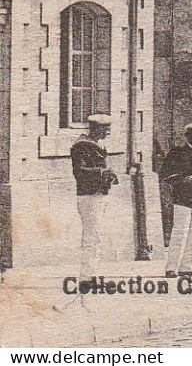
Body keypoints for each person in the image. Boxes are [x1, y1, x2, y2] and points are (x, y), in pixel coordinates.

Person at [162, 122, 192, 277]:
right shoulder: (176, 152)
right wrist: (183, 179)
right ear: (188, 136)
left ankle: (186, 267)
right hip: (182, 197)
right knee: (180, 232)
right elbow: (165, 174)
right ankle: (171, 267)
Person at [72, 113, 118, 277]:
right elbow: (79, 171)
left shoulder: (97, 145)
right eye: (106, 128)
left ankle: (91, 273)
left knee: (96, 235)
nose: (108, 131)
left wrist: (107, 175)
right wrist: (102, 172)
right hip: (89, 196)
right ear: (96, 128)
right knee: (92, 236)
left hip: (98, 194)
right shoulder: (81, 146)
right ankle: (87, 276)